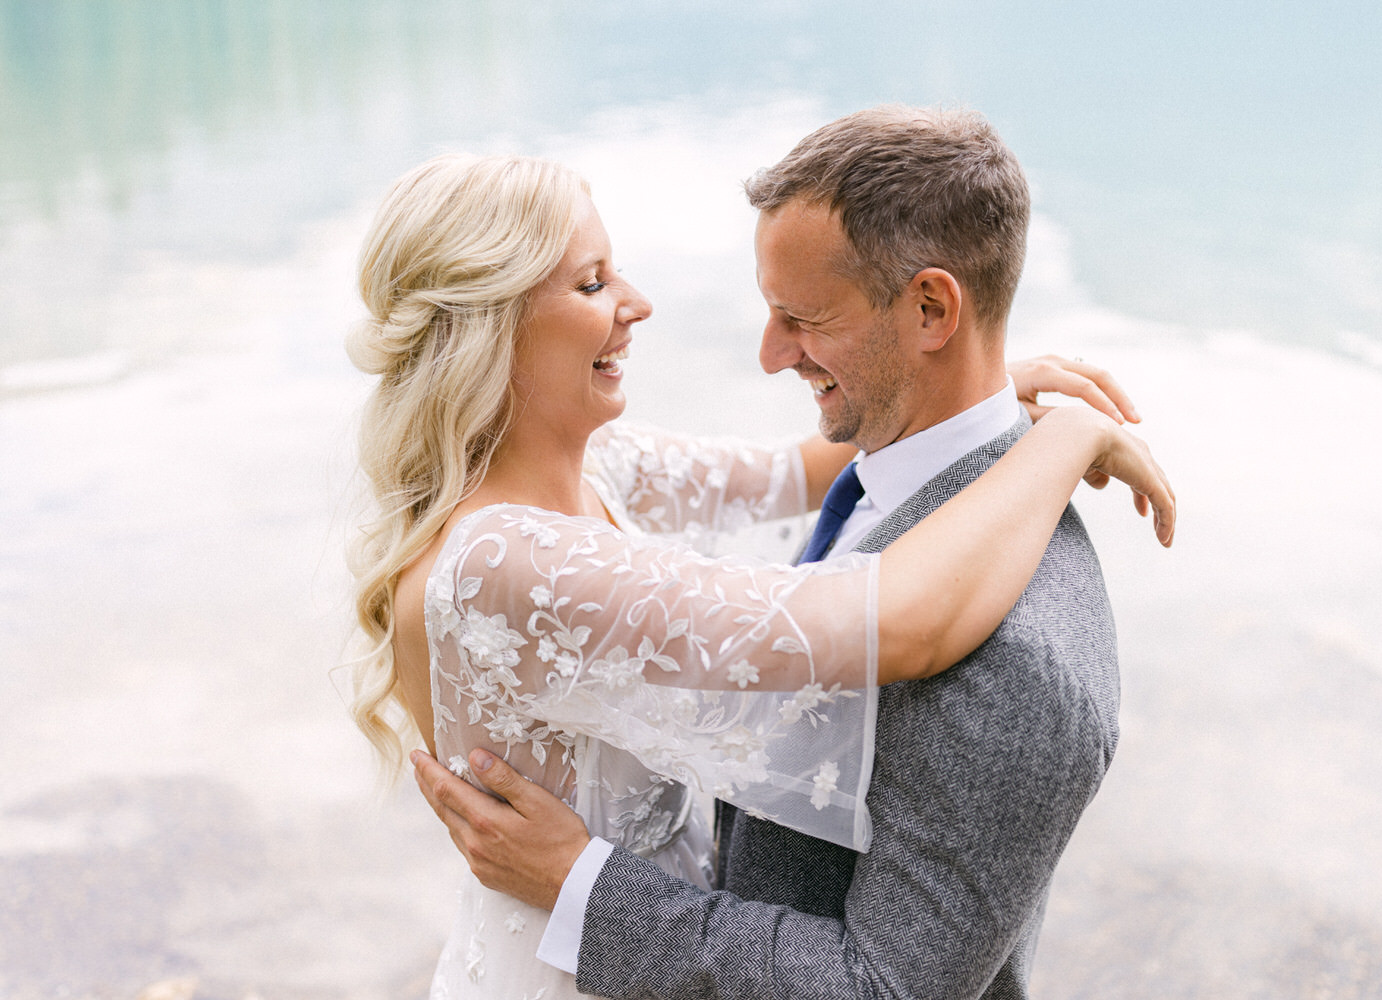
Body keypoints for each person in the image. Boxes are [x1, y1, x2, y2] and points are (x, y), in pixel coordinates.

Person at [354, 124, 1172, 998]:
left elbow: (792, 470)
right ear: (492, 329)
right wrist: (1070, 440)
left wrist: (991, 387)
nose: (637, 302)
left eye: (803, 319)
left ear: (933, 309)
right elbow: (895, 618)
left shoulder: (597, 465)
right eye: (593, 283)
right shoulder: (509, 558)